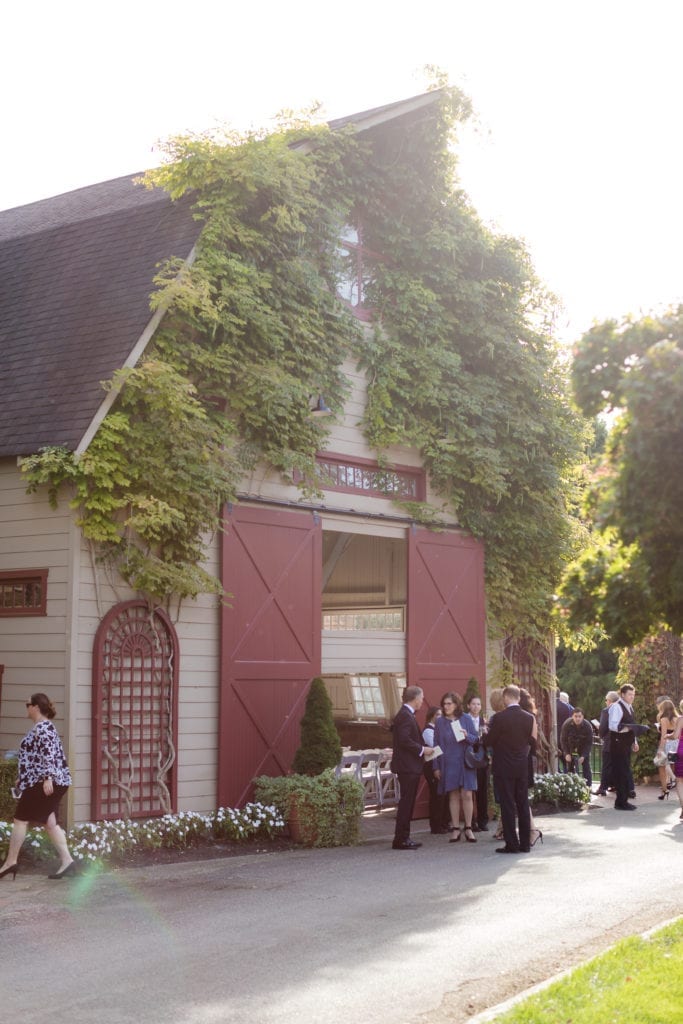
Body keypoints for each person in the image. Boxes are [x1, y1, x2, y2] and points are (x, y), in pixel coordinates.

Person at [0, 693, 77, 880]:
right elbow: (35, 757)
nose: (26, 708)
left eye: (28, 704)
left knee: (20, 819)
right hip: (45, 781)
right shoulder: (41, 727)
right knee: (49, 823)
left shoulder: (43, 728)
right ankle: (68, 861)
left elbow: (48, 754)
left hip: (45, 783)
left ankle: (11, 862)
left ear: (35, 707)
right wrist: (22, 777)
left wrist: (48, 778)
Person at [483, 684, 535, 854]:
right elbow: (531, 742)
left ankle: (512, 844)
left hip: (503, 767)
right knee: (522, 804)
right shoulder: (528, 718)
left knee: (507, 806)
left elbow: (489, 741)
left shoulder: (499, 718)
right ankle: (525, 844)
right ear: (519, 698)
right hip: (521, 767)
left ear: (505, 698)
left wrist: (485, 732)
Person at [390, 685, 433, 850]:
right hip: (408, 767)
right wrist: (423, 749)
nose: (422, 701)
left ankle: (403, 837)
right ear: (415, 699)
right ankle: (401, 839)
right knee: (406, 803)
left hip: (408, 766)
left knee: (407, 802)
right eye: (421, 698)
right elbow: (404, 740)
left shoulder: (404, 715)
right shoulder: (405, 716)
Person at [434, 692, 479, 843]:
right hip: (448, 762)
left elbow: (475, 740)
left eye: (449, 704)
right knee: (453, 795)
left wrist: (467, 735)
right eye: (444, 704)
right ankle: (455, 829)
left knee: (467, 795)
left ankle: (468, 828)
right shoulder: (440, 722)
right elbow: (436, 745)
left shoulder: (466, 718)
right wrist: (436, 767)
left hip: (465, 762)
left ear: (456, 704)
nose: (446, 706)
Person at [608, 683, 645, 811]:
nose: (632, 697)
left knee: (625, 771)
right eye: (630, 694)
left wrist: (634, 741)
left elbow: (632, 726)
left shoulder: (630, 707)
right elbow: (613, 726)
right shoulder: (616, 707)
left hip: (625, 744)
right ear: (622, 694)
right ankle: (621, 802)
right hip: (618, 744)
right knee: (621, 772)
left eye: (633, 695)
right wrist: (626, 728)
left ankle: (623, 801)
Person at [519, 687, 543, 847]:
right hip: (528, 758)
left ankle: (533, 830)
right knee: (520, 796)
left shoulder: (527, 718)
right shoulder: (530, 716)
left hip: (525, 758)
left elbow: (532, 741)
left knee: (521, 797)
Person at [422, 706, 449, 834]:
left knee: (445, 795)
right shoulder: (428, 731)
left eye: (441, 715)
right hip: (432, 766)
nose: (440, 717)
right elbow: (437, 747)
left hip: (443, 765)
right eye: (437, 714)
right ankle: (436, 825)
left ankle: (445, 822)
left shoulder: (440, 729)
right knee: (436, 795)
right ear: (432, 716)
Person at [465, 694, 490, 832]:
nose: (476, 707)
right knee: (469, 792)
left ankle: (482, 820)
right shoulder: (464, 720)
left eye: (479, 704)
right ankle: (471, 821)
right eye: (473, 704)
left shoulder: (484, 722)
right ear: (468, 705)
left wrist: (486, 734)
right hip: (468, 759)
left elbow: (489, 742)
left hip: (482, 760)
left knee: (482, 791)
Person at [559, 707, 594, 788]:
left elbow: (589, 743)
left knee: (586, 766)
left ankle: (588, 787)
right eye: (575, 716)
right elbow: (563, 740)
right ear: (572, 716)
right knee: (570, 766)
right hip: (571, 746)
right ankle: (571, 786)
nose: (577, 718)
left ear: (583, 717)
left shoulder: (587, 726)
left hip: (583, 747)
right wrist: (566, 753)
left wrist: (583, 756)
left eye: (579, 716)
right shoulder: (567, 724)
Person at [654, 699, 679, 799]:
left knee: (661, 767)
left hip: (666, 744)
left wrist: (660, 749)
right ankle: (671, 784)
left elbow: (663, 736)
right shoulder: (678, 719)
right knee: (671, 766)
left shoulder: (664, 719)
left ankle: (664, 790)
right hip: (675, 745)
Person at [666, 712, 683, 821]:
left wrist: (667, 735)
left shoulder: (681, 719)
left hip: (682, 750)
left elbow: (675, 735)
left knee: (680, 780)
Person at [556, 691, 573, 771]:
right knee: (567, 760)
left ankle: (560, 774)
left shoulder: (558, 706)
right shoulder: (572, 709)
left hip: (559, 735)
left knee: (559, 758)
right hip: (570, 737)